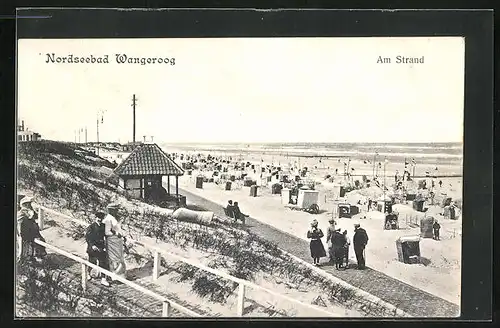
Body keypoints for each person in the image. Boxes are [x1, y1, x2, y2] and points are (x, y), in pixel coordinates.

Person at [85, 211, 110, 286]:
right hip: (93, 247)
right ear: (95, 218)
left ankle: (103, 279)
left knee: (103, 263)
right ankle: (88, 274)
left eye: (101, 218)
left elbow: (108, 234)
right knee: (92, 262)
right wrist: (92, 245)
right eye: (98, 218)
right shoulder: (91, 227)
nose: (99, 219)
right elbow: (88, 237)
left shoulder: (104, 226)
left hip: (101, 247)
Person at [103, 203, 126, 280]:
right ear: (110, 210)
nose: (116, 211)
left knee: (119, 258)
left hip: (117, 241)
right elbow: (107, 232)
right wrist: (116, 234)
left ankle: (120, 275)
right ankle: (114, 276)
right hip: (112, 241)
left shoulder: (114, 218)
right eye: (115, 210)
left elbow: (118, 228)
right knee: (114, 259)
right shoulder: (108, 219)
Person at [18, 197, 46, 261]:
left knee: (39, 241)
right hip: (25, 231)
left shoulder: (28, 211)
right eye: (28, 204)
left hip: (30, 231)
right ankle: (27, 258)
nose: (30, 205)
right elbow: (23, 223)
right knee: (26, 244)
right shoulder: (23, 212)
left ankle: (36, 256)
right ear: (25, 204)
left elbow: (35, 217)